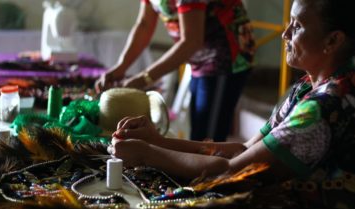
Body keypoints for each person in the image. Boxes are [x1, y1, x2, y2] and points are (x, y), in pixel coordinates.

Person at [108, 0, 355, 208]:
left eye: (297, 26)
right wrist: (156, 141)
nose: (285, 34)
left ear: (333, 40)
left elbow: (233, 172)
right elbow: (242, 150)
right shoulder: (314, 85)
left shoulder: (326, 105)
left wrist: (147, 154)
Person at [94, 0, 255, 142]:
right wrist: (120, 68)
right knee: (199, 131)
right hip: (199, 59)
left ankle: (210, 174)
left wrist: (144, 79)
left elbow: (191, 41)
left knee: (208, 140)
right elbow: (144, 24)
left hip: (226, 58)